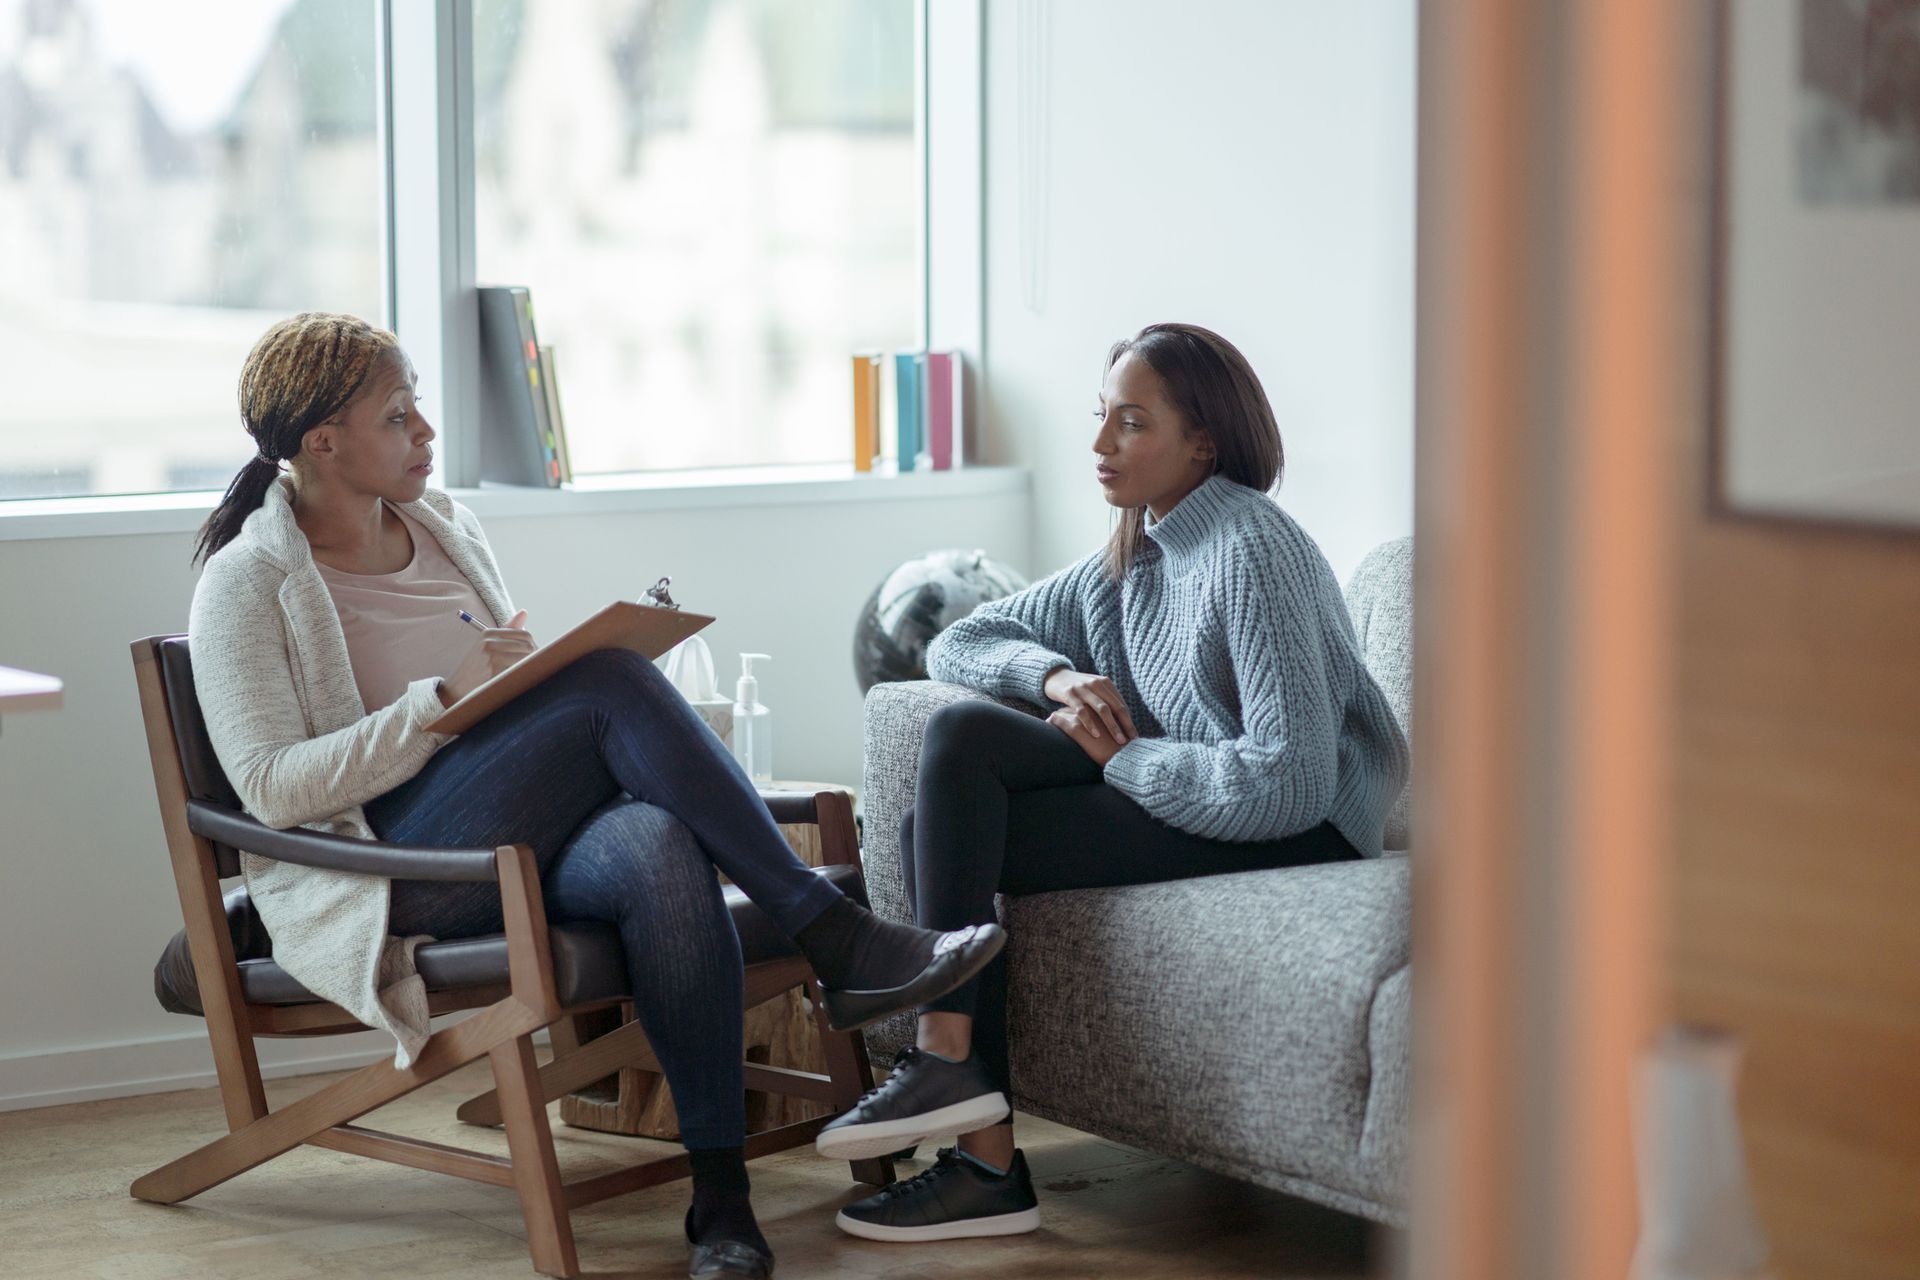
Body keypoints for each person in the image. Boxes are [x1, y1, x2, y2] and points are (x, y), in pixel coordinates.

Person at [186, 312, 1004, 1280]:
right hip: (389, 867)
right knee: (609, 679)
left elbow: (496, 716)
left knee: (657, 839)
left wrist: (502, 692)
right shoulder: (248, 581)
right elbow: (275, 789)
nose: (427, 434)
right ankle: (835, 934)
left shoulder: (447, 528)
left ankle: (722, 1201)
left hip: (507, 837)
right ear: (321, 441)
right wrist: (441, 702)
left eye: (420, 411)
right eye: (399, 416)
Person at [816, 322, 1410, 1242]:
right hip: (1205, 784)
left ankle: (961, 1106)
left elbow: (1287, 783)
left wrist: (1123, 758)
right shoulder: (1134, 554)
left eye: (1131, 423)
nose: (1099, 446)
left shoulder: (1254, 546)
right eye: (1102, 417)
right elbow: (958, 640)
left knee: (958, 785)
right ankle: (979, 1145)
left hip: (1305, 823)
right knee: (947, 783)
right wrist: (1058, 679)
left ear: (1202, 440)